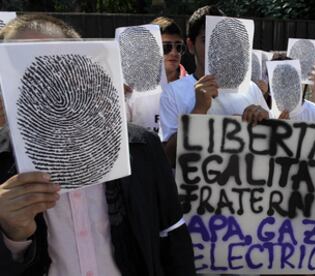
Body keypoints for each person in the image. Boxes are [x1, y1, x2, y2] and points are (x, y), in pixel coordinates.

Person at [0, 14, 195, 276]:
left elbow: (173, 238)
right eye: (25, 68)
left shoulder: (140, 148)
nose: (46, 80)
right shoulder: (2, 162)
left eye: (59, 64)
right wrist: (12, 236)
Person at [159, 5, 270, 167]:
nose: (216, 48)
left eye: (223, 40)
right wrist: (198, 112)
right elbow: (168, 159)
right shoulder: (172, 93)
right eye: (207, 40)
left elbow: (271, 147)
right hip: (194, 191)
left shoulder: (250, 88)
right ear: (191, 45)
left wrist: (264, 120)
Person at [151, 16, 187, 82]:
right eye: (166, 47)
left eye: (179, 47)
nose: (174, 53)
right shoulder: (133, 86)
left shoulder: (194, 87)